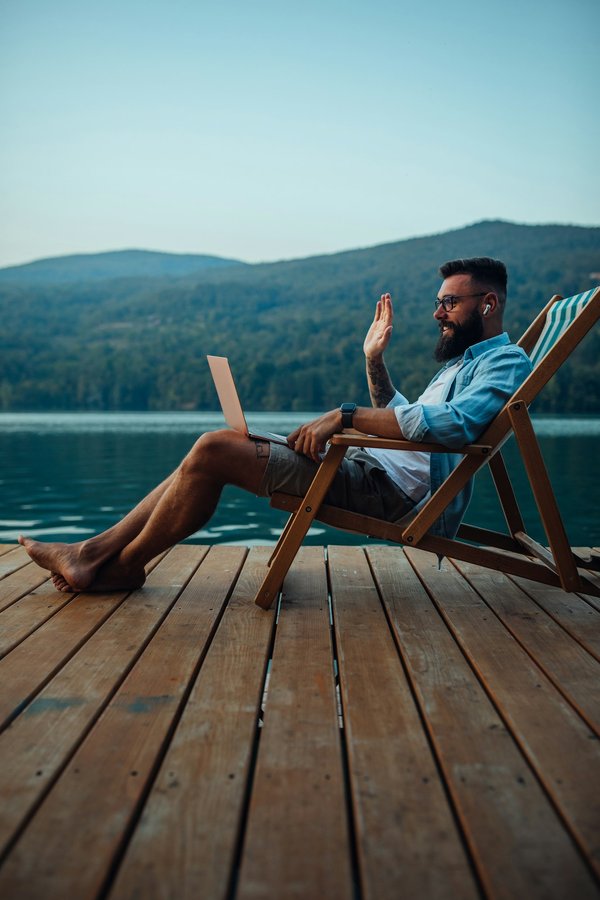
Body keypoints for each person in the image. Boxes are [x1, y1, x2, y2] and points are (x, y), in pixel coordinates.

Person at [19, 256, 532, 593]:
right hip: (365, 465)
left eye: (449, 302)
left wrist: (346, 416)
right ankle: (102, 556)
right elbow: (407, 418)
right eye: (438, 302)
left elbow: (454, 427)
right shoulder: (459, 366)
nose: (438, 313)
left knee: (215, 450)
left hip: (388, 493)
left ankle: (107, 560)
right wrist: (373, 360)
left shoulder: (503, 363)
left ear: (487, 304)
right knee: (219, 446)